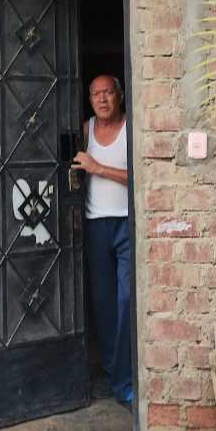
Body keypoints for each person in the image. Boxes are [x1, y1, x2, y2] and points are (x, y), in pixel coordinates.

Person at [72, 74, 133, 407]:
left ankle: (125, 379)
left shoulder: (131, 128)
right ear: (90, 98)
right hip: (95, 226)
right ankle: (113, 376)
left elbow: (139, 176)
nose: (103, 99)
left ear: (119, 95)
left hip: (126, 225)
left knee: (126, 301)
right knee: (104, 305)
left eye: (108, 92)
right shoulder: (85, 130)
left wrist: (98, 168)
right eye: (96, 94)